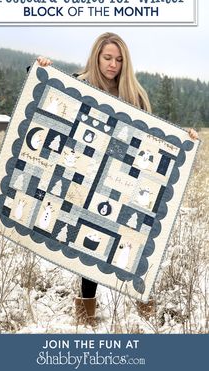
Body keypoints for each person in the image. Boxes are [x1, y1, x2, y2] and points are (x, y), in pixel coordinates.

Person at [37, 32, 198, 324]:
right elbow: (47, 92)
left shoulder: (135, 95)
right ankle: (86, 317)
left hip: (125, 178)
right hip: (84, 176)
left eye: (119, 59)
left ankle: (144, 312)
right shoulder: (80, 83)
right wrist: (42, 66)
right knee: (87, 240)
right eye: (107, 57)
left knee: (134, 241)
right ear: (96, 56)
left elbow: (156, 136)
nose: (113, 65)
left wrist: (184, 138)